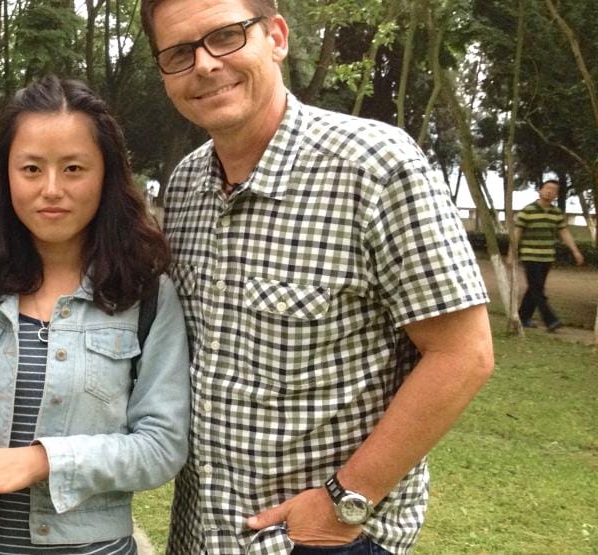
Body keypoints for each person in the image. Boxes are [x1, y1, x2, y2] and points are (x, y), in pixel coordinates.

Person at [138, 1, 495, 553]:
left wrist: (344, 500)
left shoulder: (377, 167)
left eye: (226, 36)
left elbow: (463, 353)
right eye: (179, 52)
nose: (205, 64)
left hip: (322, 539)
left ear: (277, 37)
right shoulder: (186, 187)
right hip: (201, 535)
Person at [0, 76, 191, 554]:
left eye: (73, 168)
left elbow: (161, 446)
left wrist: (42, 461)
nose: (51, 189)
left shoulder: (145, 296)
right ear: (6, 175)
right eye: (31, 169)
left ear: (106, 175)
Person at [508, 179, 585, 331]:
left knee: (535, 288)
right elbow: (516, 234)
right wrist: (511, 254)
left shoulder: (556, 213)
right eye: (547, 188)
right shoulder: (528, 210)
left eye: (554, 190)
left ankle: (523, 317)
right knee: (537, 289)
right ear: (540, 190)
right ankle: (551, 320)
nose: (550, 191)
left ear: (556, 195)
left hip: (547, 257)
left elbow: (564, 233)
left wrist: (575, 251)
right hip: (530, 256)